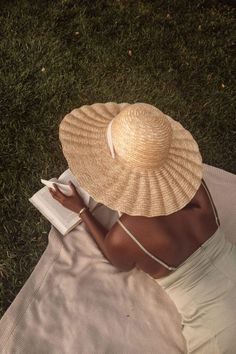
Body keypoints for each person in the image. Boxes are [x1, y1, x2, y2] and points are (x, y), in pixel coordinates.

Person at [50, 102, 236, 353]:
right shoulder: (195, 186)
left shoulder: (127, 234)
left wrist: (82, 211)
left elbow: (117, 259)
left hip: (218, 329)